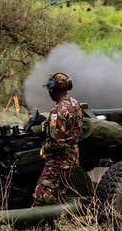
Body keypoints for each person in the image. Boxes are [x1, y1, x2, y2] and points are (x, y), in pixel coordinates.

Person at [32, 72, 84, 207]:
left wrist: (43, 150)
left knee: (40, 198)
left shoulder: (58, 111)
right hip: (72, 157)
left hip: (59, 162)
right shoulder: (75, 104)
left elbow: (57, 143)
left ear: (52, 89)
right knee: (56, 198)